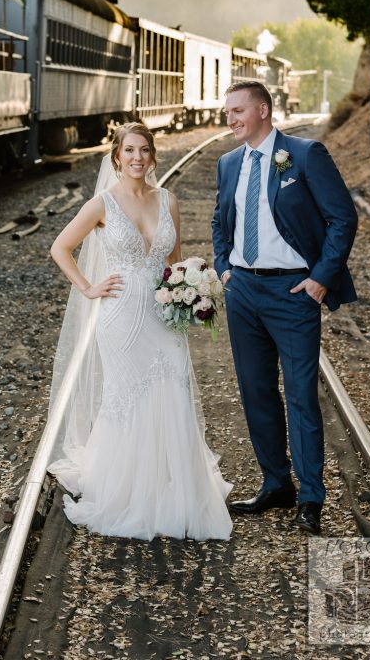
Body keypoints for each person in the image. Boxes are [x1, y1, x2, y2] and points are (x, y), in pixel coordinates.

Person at [47, 122, 232, 540]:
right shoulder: (102, 204)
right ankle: (127, 490)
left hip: (163, 316)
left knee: (174, 390)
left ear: (152, 156)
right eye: (129, 150)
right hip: (121, 316)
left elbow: (174, 262)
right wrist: (88, 287)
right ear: (117, 156)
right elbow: (60, 247)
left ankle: (176, 489)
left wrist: (190, 289)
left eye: (144, 150)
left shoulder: (168, 200)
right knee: (127, 396)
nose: (137, 157)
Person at [212, 82, 358, 535]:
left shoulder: (305, 154)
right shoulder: (228, 163)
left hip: (293, 293)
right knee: (256, 392)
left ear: (262, 110)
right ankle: (276, 484)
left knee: (300, 397)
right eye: (227, 112)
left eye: (237, 111)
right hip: (243, 293)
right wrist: (224, 268)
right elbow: (220, 220)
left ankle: (311, 497)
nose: (230, 119)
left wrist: (320, 278)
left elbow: (342, 217)